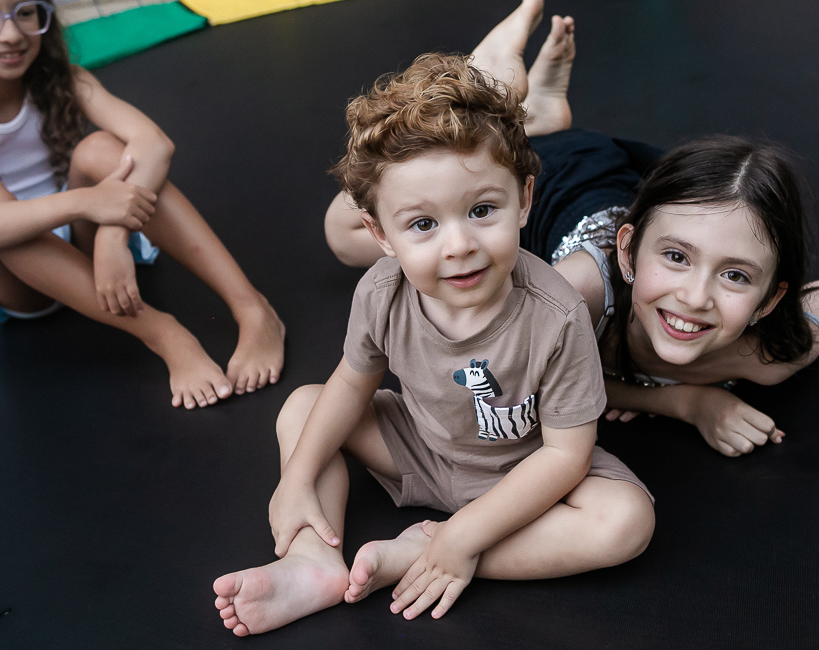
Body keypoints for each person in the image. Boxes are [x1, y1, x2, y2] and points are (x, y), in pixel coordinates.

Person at [213, 53, 655, 636]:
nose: (459, 245)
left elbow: (565, 455)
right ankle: (312, 561)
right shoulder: (381, 290)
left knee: (625, 523)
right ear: (381, 234)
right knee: (302, 409)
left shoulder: (556, 314)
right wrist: (294, 480)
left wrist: (461, 538)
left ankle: (421, 557)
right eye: (423, 224)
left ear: (523, 199)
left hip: (522, 474)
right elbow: (352, 382)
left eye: (481, 211)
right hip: (418, 449)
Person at [325, 0, 819, 457]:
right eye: (676, 258)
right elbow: (532, 386)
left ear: (771, 298)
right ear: (628, 253)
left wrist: (685, 399)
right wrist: (688, 403)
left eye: (735, 276)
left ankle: (543, 116)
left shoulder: (772, 358)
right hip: (561, 181)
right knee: (344, 233)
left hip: (609, 190)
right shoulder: (571, 294)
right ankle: (490, 91)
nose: (694, 297)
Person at [0, 0, 284, 408]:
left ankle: (254, 309)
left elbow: (154, 143)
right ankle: (164, 334)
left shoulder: (64, 79)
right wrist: (88, 202)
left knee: (103, 149)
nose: (12, 34)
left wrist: (110, 234)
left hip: (80, 236)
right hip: (11, 273)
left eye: (26, 12)